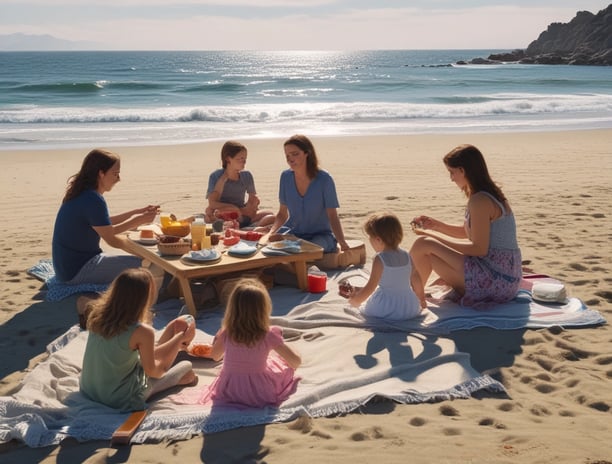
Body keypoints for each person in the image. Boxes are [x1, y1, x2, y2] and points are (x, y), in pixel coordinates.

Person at [409, 144, 522, 308]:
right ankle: (413, 296)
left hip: (497, 279)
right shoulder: (486, 195)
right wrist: (436, 226)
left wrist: (434, 238)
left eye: (452, 172)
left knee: (423, 244)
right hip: (502, 277)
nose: (451, 178)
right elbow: (469, 232)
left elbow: (478, 248)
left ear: (463, 170)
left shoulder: (480, 201)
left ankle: (406, 298)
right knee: (429, 255)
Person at [80, 268, 197, 412]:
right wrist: (180, 338)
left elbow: (133, 352)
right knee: (186, 368)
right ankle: (183, 378)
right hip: (120, 399)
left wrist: (174, 337)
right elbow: (156, 372)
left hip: (89, 389)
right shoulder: (142, 331)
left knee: (147, 353)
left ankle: (176, 346)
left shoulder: (96, 315)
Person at [52, 148, 159, 285]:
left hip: (66, 268)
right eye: (116, 174)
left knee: (145, 262)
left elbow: (103, 223)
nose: (118, 179)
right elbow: (110, 237)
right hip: (77, 270)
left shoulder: (83, 193)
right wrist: (137, 222)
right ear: (101, 173)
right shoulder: (92, 199)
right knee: (150, 268)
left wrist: (137, 212)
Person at [198, 278, 301, 408]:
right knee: (281, 365)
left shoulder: (227, 333)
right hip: (260, 390)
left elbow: (215, 356)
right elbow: (295, 361)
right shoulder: (268, 335)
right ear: (264, 309)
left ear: (232, 309)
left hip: (229, 389)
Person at [268, 134, 349, 253]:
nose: (290, 159)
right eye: (287, 155)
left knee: (307, 249)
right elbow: (282, 213)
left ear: (307, 153)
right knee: (271, 248)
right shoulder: (285, 177)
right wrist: (271, 233)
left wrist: (342, 242)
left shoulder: (324, 179)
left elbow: (332, 215)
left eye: (295, 154)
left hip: (320, 236)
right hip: (293, 233)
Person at [342, 212, 426, 319]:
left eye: (370, 238)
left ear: (378, 240)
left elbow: (370, 287)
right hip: (408, 307)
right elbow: (416, 278)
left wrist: (355, 301)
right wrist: (421, 300)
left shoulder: (380, 258)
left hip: (385, 307)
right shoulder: (406, 255)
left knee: (365, 308)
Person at [204, 141, 275, 228]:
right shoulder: (216, 176)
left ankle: (250, 229)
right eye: (240, 159)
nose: (244, 162)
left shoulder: (247, 175)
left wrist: (251, 205)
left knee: (271, 215)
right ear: (228, 159)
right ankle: (233, 225)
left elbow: (252, 199)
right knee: (211, 214)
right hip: (224, 213)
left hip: (243, 214)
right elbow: (212, 203)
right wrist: (234, 208)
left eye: (245, 158)